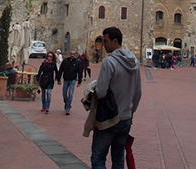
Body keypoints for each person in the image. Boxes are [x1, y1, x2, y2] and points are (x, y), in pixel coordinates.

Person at [91, 27, 142, 169]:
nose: (104, 44)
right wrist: (130, 111)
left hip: (109, 119)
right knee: (118, 157)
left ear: (115, 41)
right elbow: (138, 93)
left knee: (98, 157)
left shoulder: (109, 62)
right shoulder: (135, 62)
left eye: (105, 41)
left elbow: (101, 92)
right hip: (126, 119)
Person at [57, 49, 82, 115]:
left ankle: (68, 108)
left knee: (70, 93)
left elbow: (80, 72)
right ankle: (66, 102)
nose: (72, 55)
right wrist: (58, 79)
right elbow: (61, 70)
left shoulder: (77, 62)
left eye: (74, 54)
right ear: (69, 54)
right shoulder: (65, 61)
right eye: (71, 54)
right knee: (64, 93)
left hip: (73, 79)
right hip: (66, 79)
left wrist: (79, 81)